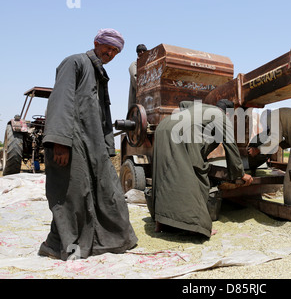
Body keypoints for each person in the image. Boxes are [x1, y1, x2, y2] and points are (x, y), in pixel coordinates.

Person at [39, 29, 138, 260]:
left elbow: (102, 114)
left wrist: (105, 146)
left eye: (115, 51)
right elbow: (60, 101)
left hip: (93, 145)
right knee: (72, 196)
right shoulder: (75, 62)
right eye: (108, 47)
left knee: (108, 193)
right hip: (72, 142)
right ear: (96, 43)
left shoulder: (99, 73)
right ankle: (58, 245)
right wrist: (61, 143)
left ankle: (110, 240)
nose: (110, 53)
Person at [151, 99, 253, 238]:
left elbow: (183, 103)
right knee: (196, 175)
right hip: (180, 131)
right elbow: (231, 146)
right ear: (228, 113)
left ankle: (160, 223)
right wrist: (239, 174)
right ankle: (196, 226)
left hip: (164, 126)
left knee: (164, 173)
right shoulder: (221, 116)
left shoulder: (200, 108)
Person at [128, 44, 147, 110]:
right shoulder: (134, 65)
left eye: (144, 51)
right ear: (137, 53)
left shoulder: (147, 65)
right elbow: (135, 79)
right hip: (136, 102)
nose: (142, 53)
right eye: (140, 51)